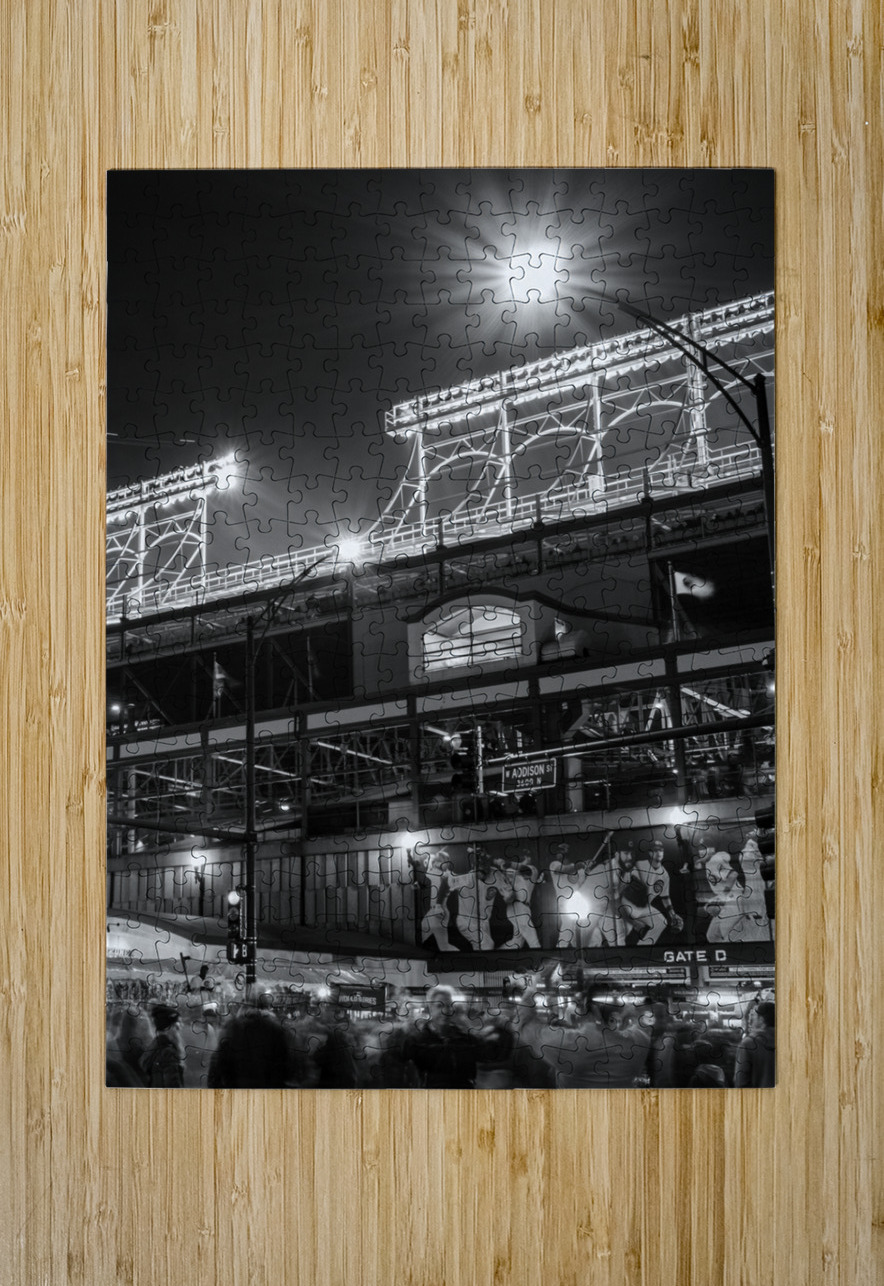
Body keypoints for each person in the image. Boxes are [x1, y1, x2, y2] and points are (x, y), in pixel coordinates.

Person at [400, 985, 483, 1088]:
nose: (445, 1011)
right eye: (439, 1006)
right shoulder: (415, 1041)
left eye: (449, 1006)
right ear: (430, 1009)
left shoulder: (466, 1040)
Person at [616, 842, 683, 946]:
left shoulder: (664, 874)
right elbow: (623, 884)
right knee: (621, 935)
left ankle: (643, 950)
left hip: (644, 907)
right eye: (655, 850)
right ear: (650, 853)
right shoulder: (639, 865)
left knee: (661, 923)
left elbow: (665, 897)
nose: (659, 852)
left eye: (661, 850)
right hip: (627, 904)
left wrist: (672, 914)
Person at [140, 1003, 185, 1088]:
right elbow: (173, 1086)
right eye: (179, 1022)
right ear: (170, 1026)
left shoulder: (154, 1045)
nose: (182, 1026)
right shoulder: (169, 1053)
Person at [502, 856, 543, 949]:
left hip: (524, 909)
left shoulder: (533, 869)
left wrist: (509, 864)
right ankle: (540, 961)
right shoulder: (511, 871)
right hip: (517, 908)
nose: (527, 858)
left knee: (516, 943)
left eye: (528, 856)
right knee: (534, 942)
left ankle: (495, 955)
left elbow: (524, 869)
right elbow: (505, 868)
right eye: (524, 856)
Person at [734, 1000, 776, 1087]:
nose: (750, 1020)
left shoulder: (748, 1044)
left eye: (754, 1016)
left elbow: (740, 1082)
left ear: (761, 1020)